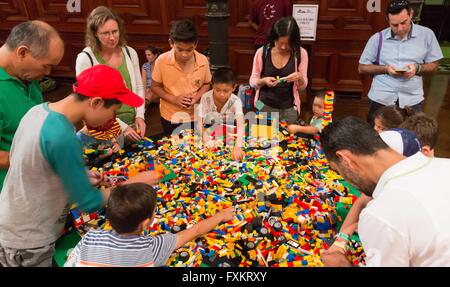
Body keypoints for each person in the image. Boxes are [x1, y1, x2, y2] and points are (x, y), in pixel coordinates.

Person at [0, 65, 160, 267]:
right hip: (29, 239)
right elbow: (89, 201)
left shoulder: (38, 111)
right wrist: (132, 183)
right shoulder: (63, 136)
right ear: (96, 102)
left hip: (10, 221)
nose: (112, 119)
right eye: (113, 111)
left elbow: (35, 164)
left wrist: (78, 174)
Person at [320, 117, 450, 267]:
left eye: (339, 171)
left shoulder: (380, 213)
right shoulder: (446, 164)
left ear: (345, 160)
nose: (346, 180)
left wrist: (341, 265)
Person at [64, 183, 235, 267]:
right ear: (146, 222)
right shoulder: (151, 248)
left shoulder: (91, 237)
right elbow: (195, 230)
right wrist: (220, 216)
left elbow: (70, 263)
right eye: (154, 210)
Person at [0, 21, 64, 191]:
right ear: (22, 52)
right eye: (46, 65)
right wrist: (40, 163)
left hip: (35, 184)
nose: (48, 73)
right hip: (10, 194)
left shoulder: (28, 76)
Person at [359, 0, 443, 125]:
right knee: (375, 137)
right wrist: (386, 69)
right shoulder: (378, 38)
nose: (400, 28)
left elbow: (435, 66)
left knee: (411, 136)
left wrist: (417, 68)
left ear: (411, 14)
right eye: (394, 25)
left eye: (404, 23)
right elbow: (362, 68)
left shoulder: (427, 35)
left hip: (412, 98)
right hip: (381, 97)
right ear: (387, 19)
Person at [75, 6, 145, 141]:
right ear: (95, 33)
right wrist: (123, 127)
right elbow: (88, 102)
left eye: (115, 31)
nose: (112, 37)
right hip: (104, 127)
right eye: (105, 33)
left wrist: (140, 116)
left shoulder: (130, 52)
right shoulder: (85, 58)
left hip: (133, 122)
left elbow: (139, 87)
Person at [151, 19, 212, 136]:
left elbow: (206, 83)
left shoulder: (203, 60)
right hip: (171, 117)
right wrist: (174, 99)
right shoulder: (162, 61)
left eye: (189, 49)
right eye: (179, 49)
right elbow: (155, 86)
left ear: (196, 44)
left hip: (197, 115)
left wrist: (197, 97)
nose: (184, 54)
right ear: (171, 43)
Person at [250, 17, 308, 124]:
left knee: (288, 138)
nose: (283, 47)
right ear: (273, 37)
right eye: (280, 42)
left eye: (288, 43)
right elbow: (253, 81)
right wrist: (263, 81)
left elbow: (303, 87)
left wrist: (300, 78)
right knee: (263, 137)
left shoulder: (301, 53)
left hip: (289, 108)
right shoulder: (262, 52)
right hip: (263, 104)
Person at [195, 68, 245, 161]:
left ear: (234, 88)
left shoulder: (236, 100)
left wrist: (238, 146)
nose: (221, 94)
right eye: (217, 90)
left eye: (226, 91)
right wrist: (206, 138)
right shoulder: (206, 98)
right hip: (208, 130)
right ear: (212, 85)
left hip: (227, 131)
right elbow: (199, 121)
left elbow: (240, 124)